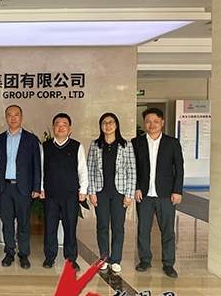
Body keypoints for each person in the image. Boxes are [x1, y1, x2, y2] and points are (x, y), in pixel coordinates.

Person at [131, 107, 184, 278]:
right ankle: (145, 260)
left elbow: (179, 168)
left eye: (155, 121)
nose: (151, 124)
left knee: (168, 231)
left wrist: (177, 190)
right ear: (144, 123)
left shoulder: (172, 143)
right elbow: (133, 168)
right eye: (148, 121)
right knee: (143, 229)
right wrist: (136, 187)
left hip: (166, 194)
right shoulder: (136, 143)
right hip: (144, 194)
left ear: (162, 122)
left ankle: (168, 263)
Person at [87, 112, 136, 274]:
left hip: (119, 192)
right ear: (101, 126)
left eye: (111, 122)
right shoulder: (95, 145)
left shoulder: (126, 145)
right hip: (100, 192)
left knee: (118, 227)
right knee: (102, 226)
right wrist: (91, 192)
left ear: (116, 125)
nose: (108, 125)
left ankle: (116, 260)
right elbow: (90, 169)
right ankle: (104, 258)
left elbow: (132, 170)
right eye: (104, 123)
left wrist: (129, 194)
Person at [40, 113, 88, 271]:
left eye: (64, 124)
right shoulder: (45, 147)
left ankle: (71, 258)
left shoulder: (77, 146)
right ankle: (50, 257)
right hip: (50, 194)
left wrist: (83, 189)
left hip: (70, 194)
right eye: (58, 124)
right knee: (50, 227)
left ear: (69, 128)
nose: (61, 127)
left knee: (70, 227)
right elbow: (41, 169)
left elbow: (82, 169)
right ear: (53, 127)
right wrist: (41, 188)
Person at [0, 105, 40, 269]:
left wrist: (36, 187)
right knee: (7, 222)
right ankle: (9, 252)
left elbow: (37, 164)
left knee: (24, 222)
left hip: (24, 187)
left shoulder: (31, 139)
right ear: (6, 118)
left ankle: (24, 254)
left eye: (16, 115)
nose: (13, 118)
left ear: (21, 117)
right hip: (4, 187)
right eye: (9, 115)